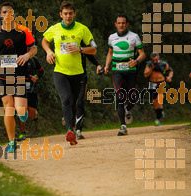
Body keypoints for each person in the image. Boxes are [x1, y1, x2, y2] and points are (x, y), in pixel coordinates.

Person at [42, 1, 97, 145]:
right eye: (65, 13)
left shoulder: (82, 29)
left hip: (78, 73)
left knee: (74, 103)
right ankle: (69, 130)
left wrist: (80, 49)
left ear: (74, 14)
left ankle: (71, 128)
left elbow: (94, 49)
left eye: (70, 13)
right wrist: (48, 52)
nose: (68, 16)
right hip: (60, 71)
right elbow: (44, 41)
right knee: (66, 99)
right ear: (61, 14)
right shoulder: (54, 29)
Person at [0, 2, 37, 152]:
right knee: (8, 106)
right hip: (2, 72)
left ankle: (23, 113)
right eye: (4, 12)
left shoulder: (23, 31)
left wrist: (27, 55)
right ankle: (12, 141)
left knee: (20, 109)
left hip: (19, 73)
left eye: (10, 12)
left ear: (14, 14)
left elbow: (34, 48)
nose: (7, 14)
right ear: (0, 15)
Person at [104, 14, 146, 136]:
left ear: (127, 24)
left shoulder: (134, 37)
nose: (121, 25)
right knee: (119, 96)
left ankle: (129, 108)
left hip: (131, 70)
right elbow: (110, 53)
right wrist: (106, 66)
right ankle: (123, 126)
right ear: (115, 24)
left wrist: (136, 61)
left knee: (133, 95)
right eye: (119, 23)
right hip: (116, 70)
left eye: (123, 23)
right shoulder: (111, 37)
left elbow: (142, 54)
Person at [17, 56, 44, 141]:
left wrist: (36, 77)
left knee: (31, 115)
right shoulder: (16, 56)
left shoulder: (34, 59)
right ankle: (23, 133)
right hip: (20, 86)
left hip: (31, 88)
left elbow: (41, 72)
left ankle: (35, 114)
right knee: (22, 110)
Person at [144, 53, 173, 126]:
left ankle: (157, 119)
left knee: (160, 100)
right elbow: (145, 74)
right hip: (152, 83)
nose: (155, 61)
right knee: (154, 102)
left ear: (158, 58)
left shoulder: (164, 64)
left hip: (161, 83)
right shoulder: (149, 64)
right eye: (153, 60)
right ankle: (160, 112)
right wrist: (152, 68)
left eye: (156, 59)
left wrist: (169, 77)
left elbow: (170, 71)